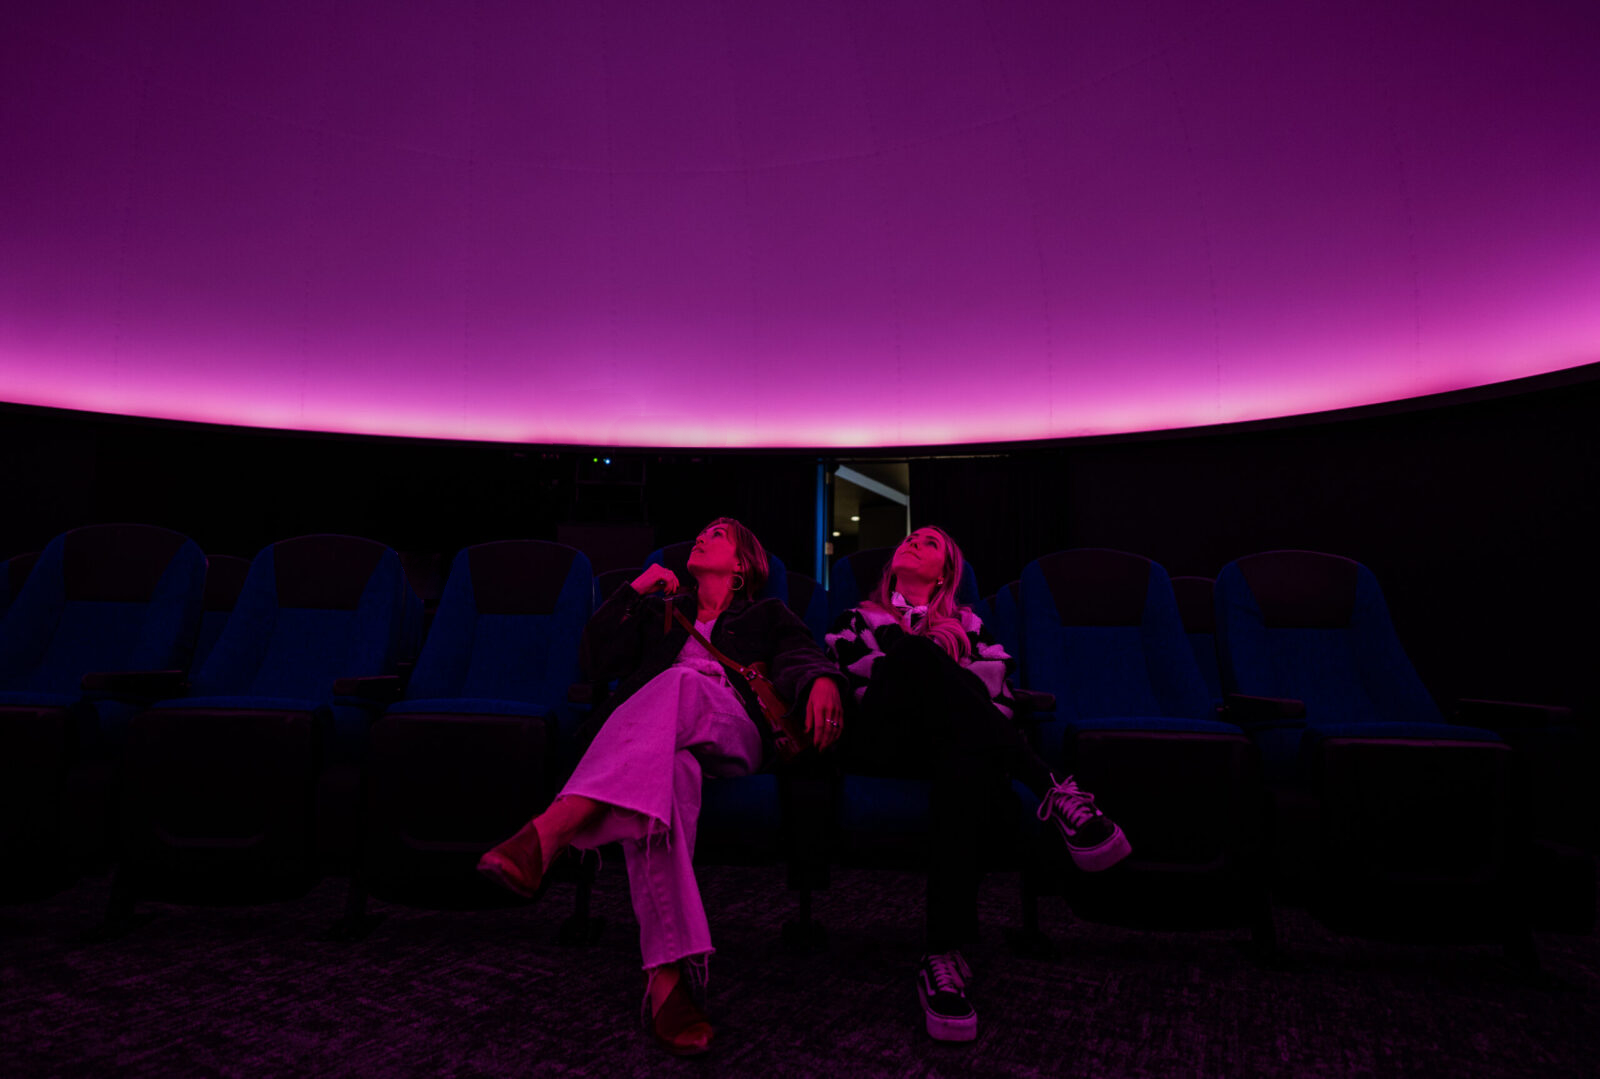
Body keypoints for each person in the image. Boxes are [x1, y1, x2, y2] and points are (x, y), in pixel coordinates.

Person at [478, 518, 845, 1057]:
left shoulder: (766, 613)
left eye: (718, 534)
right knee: (664, 784)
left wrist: (821, 679)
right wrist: (637, 588)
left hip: (733, 730)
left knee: (679, 681)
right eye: (703, 530)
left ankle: (553, 827)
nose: (702, 535)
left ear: (741, 565)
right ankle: (667, 979)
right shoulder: (661, 613)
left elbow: (800, 653)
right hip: (659, 742)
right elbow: (594, 659)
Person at [825, 526, 1130, 1043]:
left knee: (963, 761)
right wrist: (924, 654)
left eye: (929, 543)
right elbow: (856, 680)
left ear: (945, 574)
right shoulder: (856, 617)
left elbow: (999, 687)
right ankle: (1051, 788)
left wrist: (941, 669)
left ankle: (942, 955)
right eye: (910, 539)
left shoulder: (970, 623)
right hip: (882, 742)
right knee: (917, 659)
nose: (912, 542)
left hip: (952, 748)